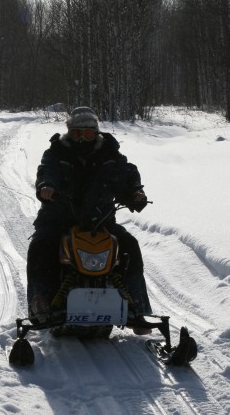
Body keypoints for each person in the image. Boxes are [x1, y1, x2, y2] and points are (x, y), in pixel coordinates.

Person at [26, 107, 153, 334]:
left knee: (129, 245)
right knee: (41, 246)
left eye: (87, 133)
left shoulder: (110, 154)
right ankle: (41, 303)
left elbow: (126, 175)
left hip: (100, 220)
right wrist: (46, 187)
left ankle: (138, 309)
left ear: (96, 133)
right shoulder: (56, 153)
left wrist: (134, 193)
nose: (82, 138)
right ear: (69, 133)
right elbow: (47, 172)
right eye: (76, 133)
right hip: (59, 218)